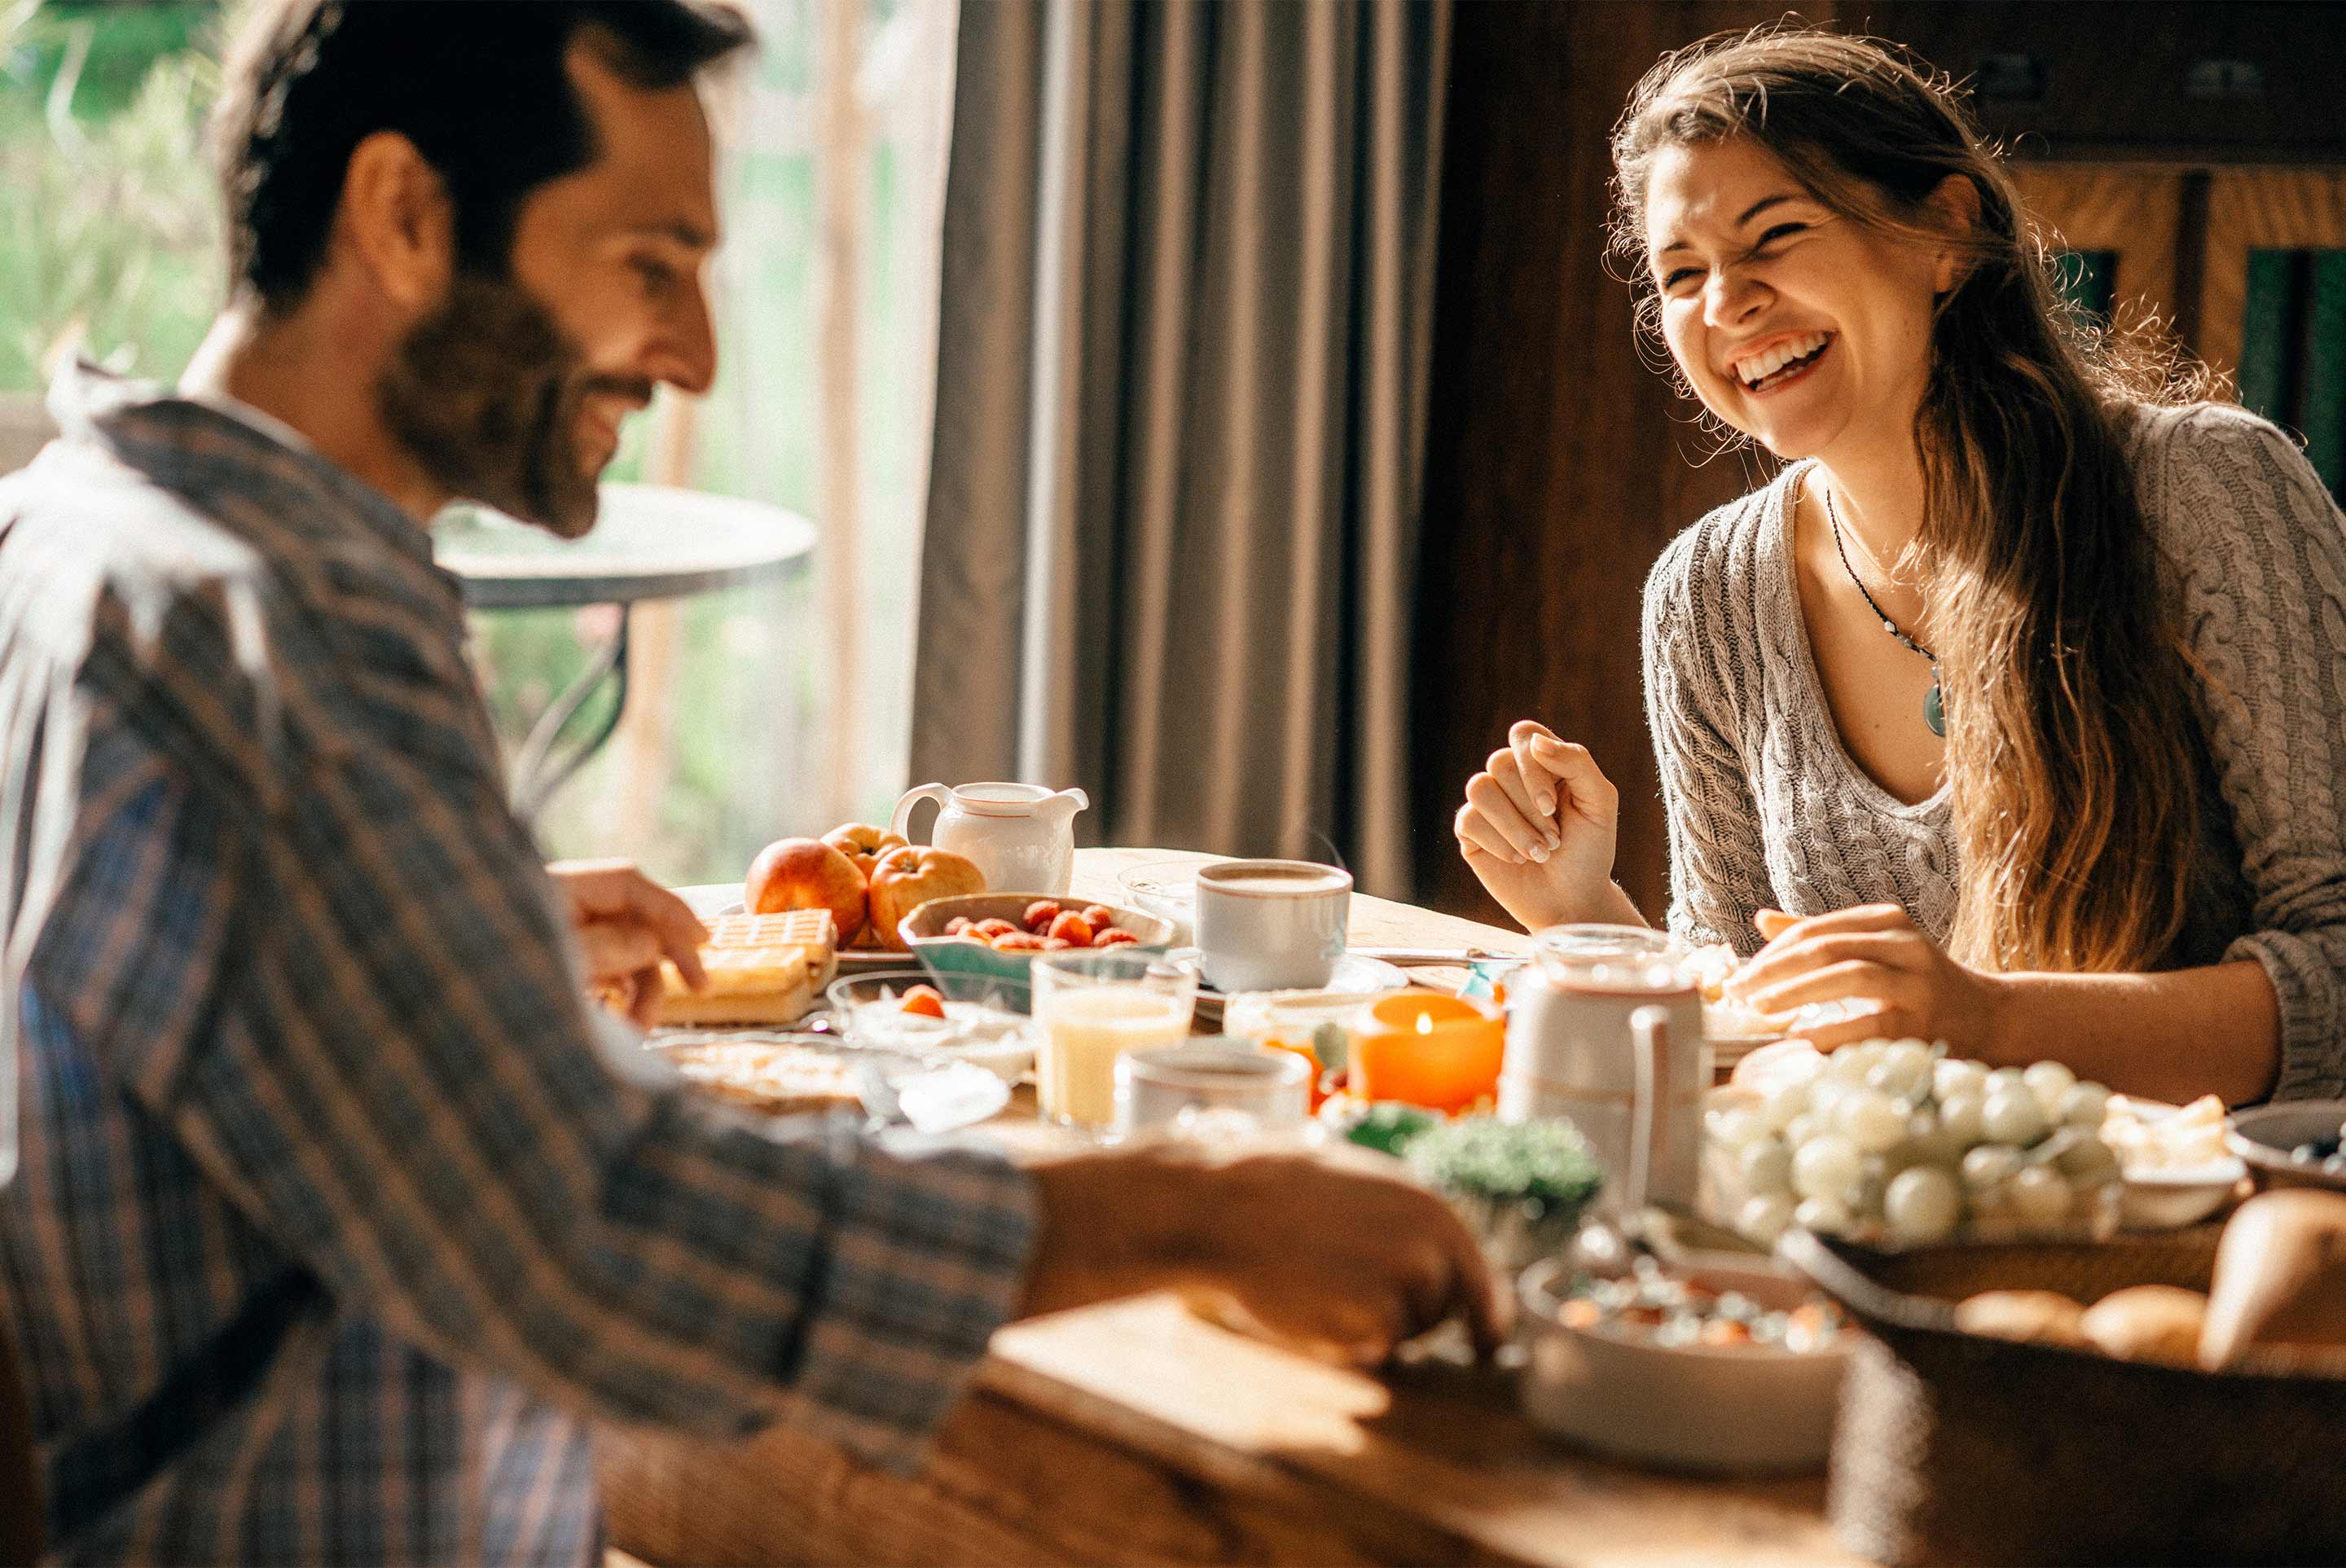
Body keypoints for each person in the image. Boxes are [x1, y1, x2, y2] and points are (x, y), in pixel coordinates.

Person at [0, 3, 1499, 1561]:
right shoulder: (272, 629)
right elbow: (598, 1238)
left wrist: (457, 936)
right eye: (652, 263)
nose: (695, 351)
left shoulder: (88, 532)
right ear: (403, 214)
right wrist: (1205, 1209)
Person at [1454, 27, 2346, 1110]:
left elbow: (2337, 972)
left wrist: (1991, 1023)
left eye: (1774, 235)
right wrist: (1581, 908)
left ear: (1946, 232)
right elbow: (1757, 1014)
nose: (1726, 304)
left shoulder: (2203, 491)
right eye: (1681, 274)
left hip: (2195, 1234)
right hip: (1876, 1226)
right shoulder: (1706, 596)